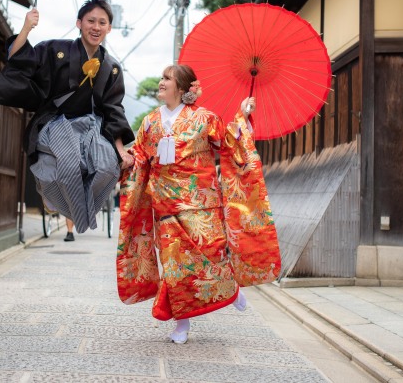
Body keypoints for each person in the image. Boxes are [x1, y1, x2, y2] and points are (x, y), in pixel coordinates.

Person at [116, 64, 281, 344]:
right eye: (162, 77)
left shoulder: (204, 118)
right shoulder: (149, 122)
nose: (161, 82)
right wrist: (127, 159)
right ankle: (182, 324)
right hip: (165, 204)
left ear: (182, 88)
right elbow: (142, 156)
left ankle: (229, 289)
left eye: (166, 79)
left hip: (200, 203)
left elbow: (228, 145)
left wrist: (243, 114)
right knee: (175, 266)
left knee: (212, 255)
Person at [0, 0, 135, 234]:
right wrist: (26, 27)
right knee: (69, 163)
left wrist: (120, 149)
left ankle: (75, 209)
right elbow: (18, 61)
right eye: (91, 20)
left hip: (93, 128)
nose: (96, 27)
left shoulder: (111, 67)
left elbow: (114, 109)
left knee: (108, 167)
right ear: (79, 23)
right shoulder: (54, 50)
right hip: (57, 122)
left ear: (109, 28)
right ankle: (52, 197)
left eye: (102, 22)